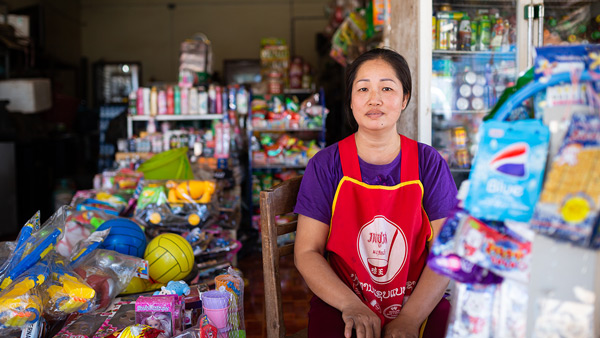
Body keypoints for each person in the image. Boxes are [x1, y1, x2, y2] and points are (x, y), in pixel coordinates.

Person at [294, 48, 458, 338]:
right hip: (341, 300)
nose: (375, 98)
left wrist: (410, 318)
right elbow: (307, 252)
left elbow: (446, 254)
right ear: (351, 99)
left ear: (405, 98)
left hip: (417, 300)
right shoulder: (325, 165)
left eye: (386, 87)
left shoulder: (428, 163)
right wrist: (350, 305)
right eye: (363, 88)